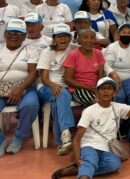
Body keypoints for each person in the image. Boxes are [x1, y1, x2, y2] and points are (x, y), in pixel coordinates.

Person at [51, 76, 130, 179]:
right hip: (89, 145)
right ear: (96, 92)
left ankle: (75, 170)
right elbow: (77, 138)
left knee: (114, 164)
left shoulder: (117, 107)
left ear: (114, 92)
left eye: (109, 89)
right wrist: (77, 158)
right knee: (90, 160)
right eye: (102, 89)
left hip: (107, 148)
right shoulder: (89, 111)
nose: (106, 91)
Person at [0, 19, 39, 157]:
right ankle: (1, 140)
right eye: (11, 32)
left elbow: (33, 73)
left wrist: (19, 89)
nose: (14, 36)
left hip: (25, 87)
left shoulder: (30, 50)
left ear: (24, 36)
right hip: (1, 88)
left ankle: (18, 137)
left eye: (19, 33)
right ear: (5, 34)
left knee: (31, 105)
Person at [37, 23, 74, 155]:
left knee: (57, 102)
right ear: (54, 38)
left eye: (65, 36)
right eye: (59, 36)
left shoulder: (74, 49)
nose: (63, 39)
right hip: (46, 86)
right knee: (62, 94)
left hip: (64, 88)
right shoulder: (47, 52)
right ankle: (65, 134)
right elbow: (44, 78)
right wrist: (53, 85)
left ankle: (62, 141)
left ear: (70, 38)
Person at [63, 28, 105, 107]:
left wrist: (99, 88)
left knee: (109, 98)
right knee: (98, 103)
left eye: (92, 38)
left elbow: (100, 75)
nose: (89, 40)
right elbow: (67, 79)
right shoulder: (73, 55)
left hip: (95, 87)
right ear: (79, 40)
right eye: (85, 37)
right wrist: (88, 88)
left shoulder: (98, 53)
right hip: (77, 88)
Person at [104, 23, 130, 105]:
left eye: (129, 33)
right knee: (119, 95)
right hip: (113, 77)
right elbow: (106, 65)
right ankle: (119, 113)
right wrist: (113, 74)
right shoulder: (112, 47)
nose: (126, 35)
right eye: (124, 32)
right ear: (118, 34)